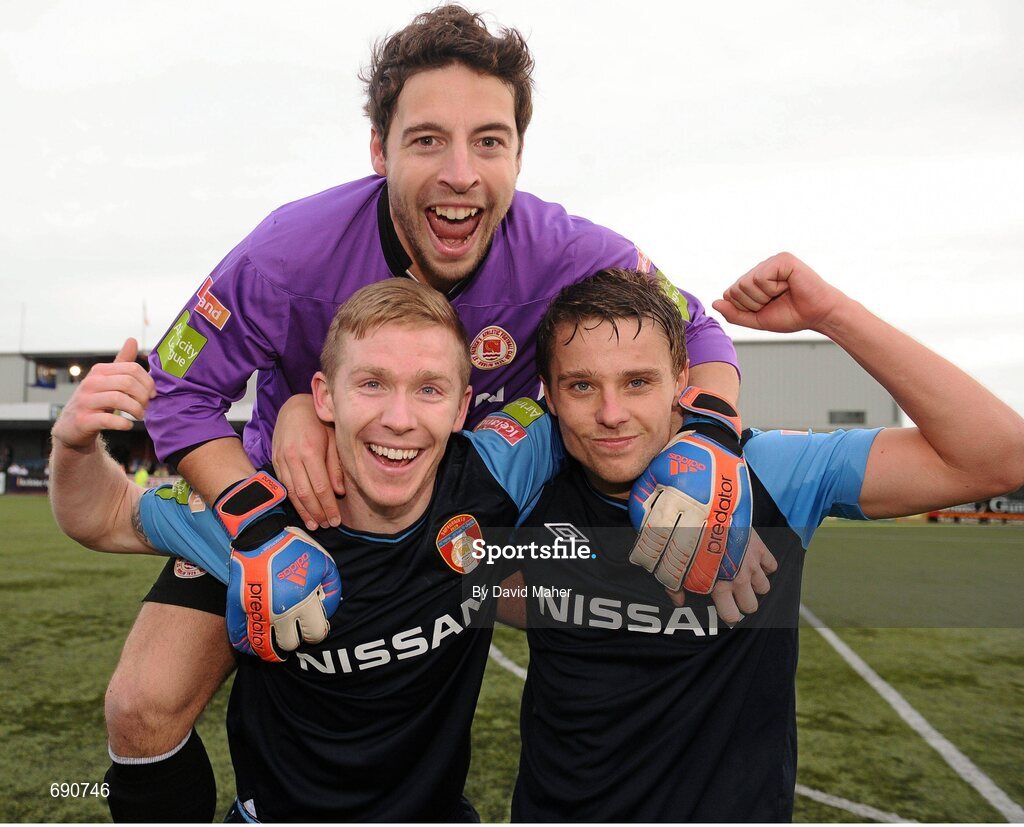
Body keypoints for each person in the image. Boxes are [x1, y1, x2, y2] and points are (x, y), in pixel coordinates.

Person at [107, 6, 740, 820]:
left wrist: (715, 434)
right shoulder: (284, 252)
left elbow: (694, 325)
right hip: (292, 505)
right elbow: (179, 386)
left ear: (517, 151)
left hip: (451, 507)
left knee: (640, 628)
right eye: (427, 139)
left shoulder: (566, 249)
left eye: (489, 140)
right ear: (380, 150)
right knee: (140, 703)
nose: (460, 173)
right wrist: (255, 514)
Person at [506, 259, 1024, 821]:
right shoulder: (525, 488)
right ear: (549, 396)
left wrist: (832, 314)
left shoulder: (764, 472)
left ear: (683, 381)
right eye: (582, 385)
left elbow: (998, 458)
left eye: (637, 381)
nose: (612, 414)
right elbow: (462, 579)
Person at [52, 279, 566, 821]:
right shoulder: (259, 514)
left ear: (463, 406)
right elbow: (105, 516)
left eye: (429, 390)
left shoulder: (497, 469)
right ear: (324, 396)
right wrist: (74, 442)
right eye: (371, 383)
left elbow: (603, 411)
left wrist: (670, 454)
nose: (399, 417)